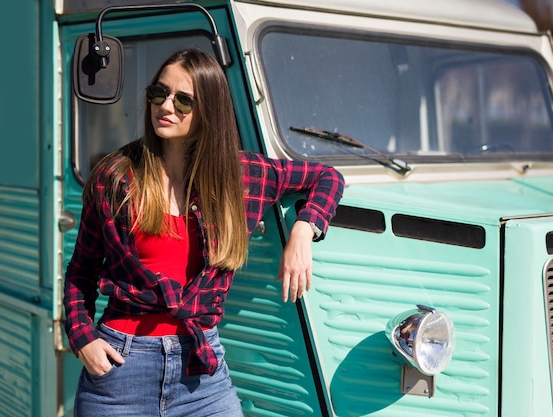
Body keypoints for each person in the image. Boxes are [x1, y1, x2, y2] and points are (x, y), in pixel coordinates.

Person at [63, 48, 344, 417]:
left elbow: (328, 177)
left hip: (202, 374)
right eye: (158, 94)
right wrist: (82, 338)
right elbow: (80, 273)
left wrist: (304, 230)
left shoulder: (242, 175)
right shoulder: (116, 177)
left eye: (183, 101)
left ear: (208, 110)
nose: (166, 106)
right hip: (120, 371)